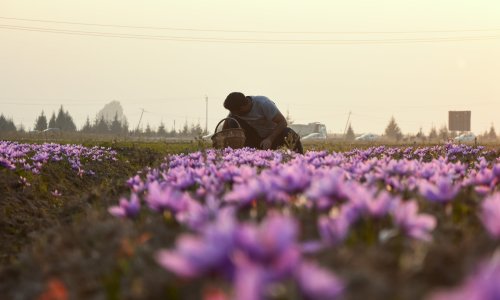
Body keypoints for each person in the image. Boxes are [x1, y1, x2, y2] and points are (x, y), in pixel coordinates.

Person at [222, 92, 303, 154]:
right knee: (231, 120)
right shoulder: (235, 112)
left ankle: (300, 159)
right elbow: (226, 126)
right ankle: (244, 154)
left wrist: (270, 139)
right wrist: (222, 142)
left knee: (289, 133)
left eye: (235, 112)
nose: (233, 113)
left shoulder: (263, 103)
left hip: (274, 136)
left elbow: (283, 122)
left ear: (242, 107)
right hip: (255, 139)